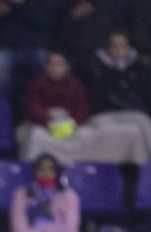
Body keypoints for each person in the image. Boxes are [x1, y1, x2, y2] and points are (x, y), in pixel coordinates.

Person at [19, 50, 151, 164]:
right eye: (51, 64)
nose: (54, 68)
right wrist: (49, 122)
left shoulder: (75, 84)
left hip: (71, 126)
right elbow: (34, 107)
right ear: (45, 66)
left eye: (59, 64)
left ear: (67, 67)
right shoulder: (36, 84)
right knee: (35, 136)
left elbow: (82, 109)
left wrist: (71, 123)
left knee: (91, 135)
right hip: (47, 126)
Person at [82, 31, 151, 154]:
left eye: (123, 46)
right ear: (107, 48)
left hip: (133, 113)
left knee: (143, 124)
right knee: (129, 129)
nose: (120, 51)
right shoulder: (95, 68)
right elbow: (95, 100)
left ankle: (143, 168)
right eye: (115, 46)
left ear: (129, 48)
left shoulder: (139, 68)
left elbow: (145, 96)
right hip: (104, 115)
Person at [0, 0, 51, 101]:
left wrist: (22, 4)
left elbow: (45, 22)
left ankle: (43, 102)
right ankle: (3, 105)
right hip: (6, 47)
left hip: (34, 46)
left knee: (45, 59)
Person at [53, 0, 125, 69]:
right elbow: (60, 31)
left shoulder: (108, 4)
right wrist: (73, 16)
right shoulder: (69, 4)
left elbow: (117, 27)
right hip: (74, 54)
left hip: (102, 54)